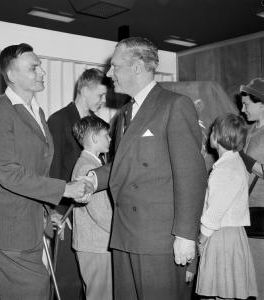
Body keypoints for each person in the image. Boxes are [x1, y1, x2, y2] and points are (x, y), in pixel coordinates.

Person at [88, 37, 207, 300]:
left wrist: (186, 235)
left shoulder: (175, 105)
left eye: (115, 66)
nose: (109, 74)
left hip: (159, 239)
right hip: (125, 235)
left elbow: (191, 175)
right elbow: (119, 166)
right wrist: (91, 180)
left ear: (137, 67)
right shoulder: (124, 114)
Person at [0, 43, 93, 300]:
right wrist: (64, 189)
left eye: (40, 66)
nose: (42, 72)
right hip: (7, 231)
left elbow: (37, 171)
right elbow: (8, 172)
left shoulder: (36, 111)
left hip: (25, 226)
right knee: (36, 291)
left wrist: (47, 215)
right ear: (12, 75)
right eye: (33, 67)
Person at [47, 68, 108, 299]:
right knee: (67, 283)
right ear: (83, 89)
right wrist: (56, 212)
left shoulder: (95, 125)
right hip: (66, 216)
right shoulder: (59, 120)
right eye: (100, 95)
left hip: (89, 219)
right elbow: (52, 172)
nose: (103, 101)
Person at [196, 114, 258, 300]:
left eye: (213, 130)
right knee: (225, 293)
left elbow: (214, 213)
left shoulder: (226, 169)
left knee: (221, 293)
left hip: (222, 237)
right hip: (230, 235)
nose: (209, 134)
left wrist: (201, 239)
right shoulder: (234, 163)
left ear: (220, 136)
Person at [71, 115, 113, 300]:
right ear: (95, 138)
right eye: (107, 135)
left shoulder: (92, 164)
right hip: (96, 245)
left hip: (95, 244)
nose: (110, 139)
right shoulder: (88, 167)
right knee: (100, 296)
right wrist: (121, 231)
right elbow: (100, 212)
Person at [240, 78, 264, 299]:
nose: (242, 108)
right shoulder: (251, 131)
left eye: (247, 104)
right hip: (247, 210)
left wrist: (240, 157)